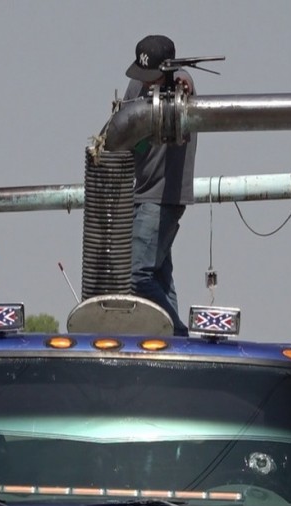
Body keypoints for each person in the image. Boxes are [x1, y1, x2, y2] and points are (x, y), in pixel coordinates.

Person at [123, 34, 197, 336]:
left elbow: (186, 81)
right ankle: (178, 344)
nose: (146, 82)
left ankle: (176, 333)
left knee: (137, 275)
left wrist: (183, 84)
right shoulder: (136, 86)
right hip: (140, 195)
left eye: (152, 76)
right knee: (160, 277)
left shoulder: (179, 84)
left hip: (164, 196)